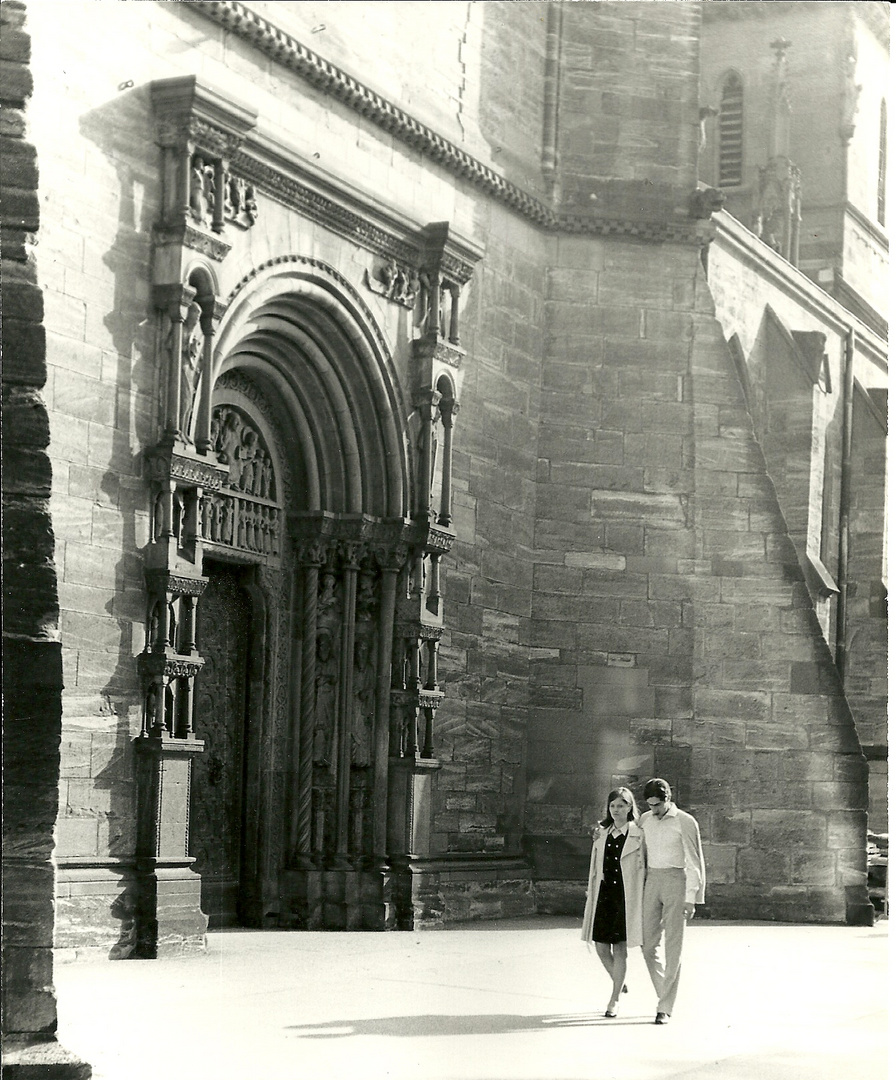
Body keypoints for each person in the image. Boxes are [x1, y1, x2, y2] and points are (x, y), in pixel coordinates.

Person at [639, 777, 705, 1025]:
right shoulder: (644, 819)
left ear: (667, 799)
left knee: (673, 947)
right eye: (649, 804)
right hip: (652, 880)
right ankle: (664, 994)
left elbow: (694, 861)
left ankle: (665, 1007)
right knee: (647, 946)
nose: (653, 810)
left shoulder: (685, 822)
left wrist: (691, 898)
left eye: (657, 805)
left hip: (677, 881)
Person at [581, 787, 645, 1018]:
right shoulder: (602, 833)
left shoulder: (638, 833)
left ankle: (614, 998)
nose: (616, 810)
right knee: (600, 946)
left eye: (621, 805)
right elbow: (595, 867)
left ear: (630, 807)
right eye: (613, 806)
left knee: (619, 948)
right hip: (604, 894)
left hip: (625, 896)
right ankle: (620, 980)